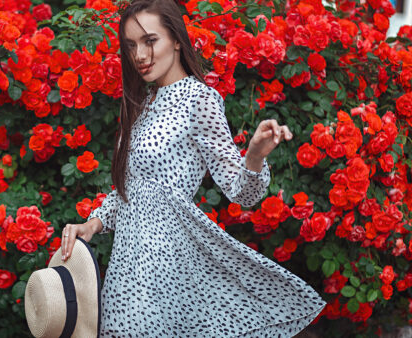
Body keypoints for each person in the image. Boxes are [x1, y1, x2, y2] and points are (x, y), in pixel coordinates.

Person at [60, 0, 327, 336]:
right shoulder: (142, 104)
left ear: (175, 39)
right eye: (131, 45)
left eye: (150, 41)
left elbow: (240, 191)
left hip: (165, 267)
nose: (140, 55)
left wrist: (255, 156)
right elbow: (133, 188)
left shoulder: (199, 100)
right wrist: (93, 224)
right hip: (124, 269)